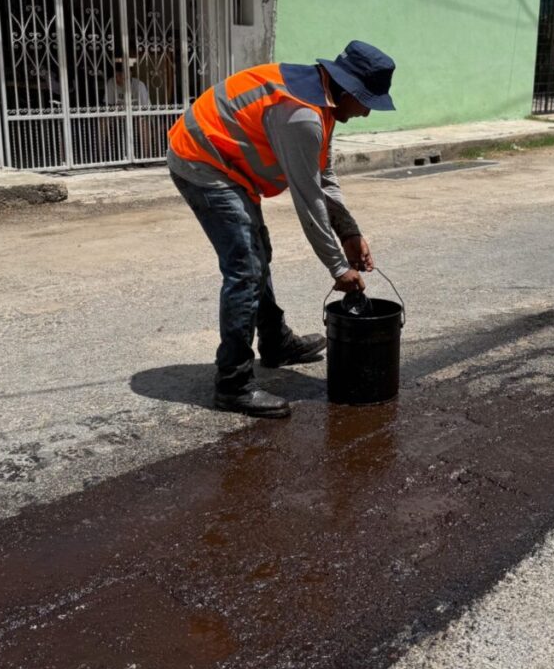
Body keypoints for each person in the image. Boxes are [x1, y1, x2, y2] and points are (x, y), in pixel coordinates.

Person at [167, 40, 396, 418]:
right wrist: (339, 267)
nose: (368, 113)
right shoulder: (302, 114)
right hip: (202, 159)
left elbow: (324, 176)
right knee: (245, 268)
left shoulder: (323, 101)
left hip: (229, 163)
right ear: (348, 90)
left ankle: (275, 343)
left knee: (259, 253)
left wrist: (351, 232)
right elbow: (309, 200)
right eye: (367, 101)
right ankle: (233, 383)